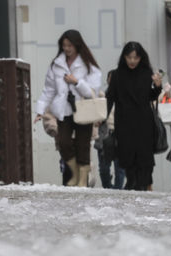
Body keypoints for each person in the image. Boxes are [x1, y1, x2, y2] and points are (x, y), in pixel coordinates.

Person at [34, 30, 102, 187]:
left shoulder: (88, 65)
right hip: (63, 110)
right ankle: (76, 173)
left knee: (83, 145)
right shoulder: (56, 64)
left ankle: (82, 181)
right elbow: (48, 90)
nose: (67, 49)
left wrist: (76, 81)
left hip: (83, 110)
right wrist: (40, 110)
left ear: (77, 45)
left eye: (69, 45)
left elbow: (94, 91)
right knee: (64, 143)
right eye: (64, 45)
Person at [106, 42, 163, 191]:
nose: (132, 61)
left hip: (144, 122)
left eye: (136, 57)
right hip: (124, 122)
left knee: (144, 159)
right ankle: (132, 185)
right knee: (128, 158)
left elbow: (150, 97)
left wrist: (158, 87)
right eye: (129, 57)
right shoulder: (117, 75)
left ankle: (142, 186)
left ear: (141, 58)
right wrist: (102, 117)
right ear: (124, 57)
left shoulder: (146, 73)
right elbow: (110, 97)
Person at [95, 70, 125, 189]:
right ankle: (107, 188)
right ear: (107, 80)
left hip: (120, 135)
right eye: (111, 79)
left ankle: (118, 190)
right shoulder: (101, 97)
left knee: (120, 168)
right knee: (104, 168)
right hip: (104, 135)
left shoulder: (125, 98)